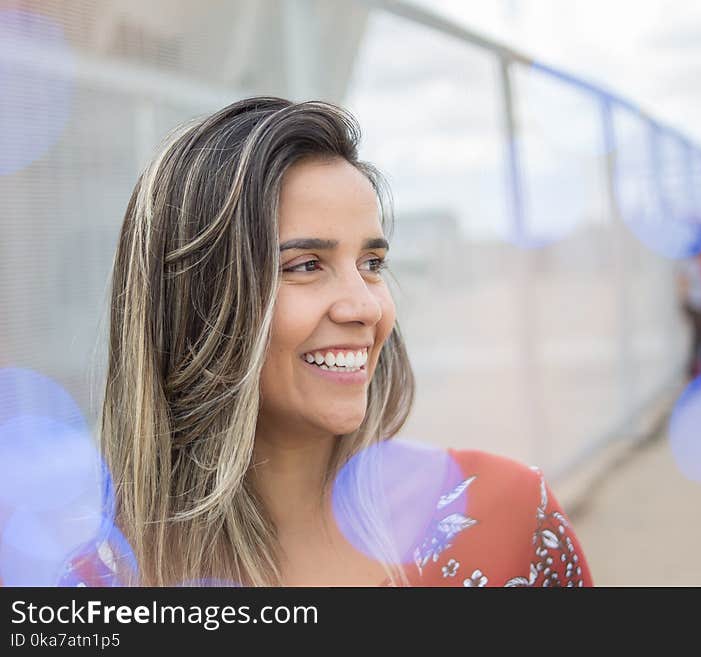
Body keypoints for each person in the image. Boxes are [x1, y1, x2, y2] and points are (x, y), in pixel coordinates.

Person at [55, 98, 591, 587]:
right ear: (197, 304)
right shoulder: (98, 586)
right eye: (306, 265)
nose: (365, 307)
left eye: (372, 264)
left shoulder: (509, 518)